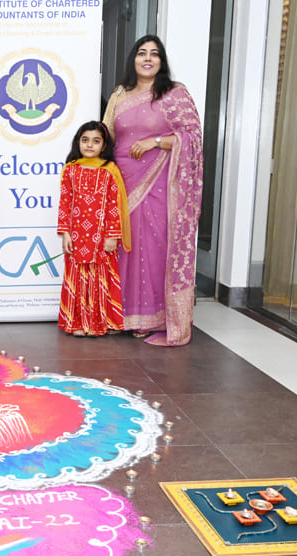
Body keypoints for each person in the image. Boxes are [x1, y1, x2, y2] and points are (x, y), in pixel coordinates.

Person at [101, 35, 203, 346]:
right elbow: (106, 136)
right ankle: (117, 315)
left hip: (160, 184)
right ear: (133, 59)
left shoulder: (174, 94)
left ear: (161, 61)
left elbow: (192, 137)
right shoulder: (119, 94)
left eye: (154, 54)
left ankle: (152, 317)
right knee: (121, 245)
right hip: (122, 180)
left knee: (153, 247)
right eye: (142, 53)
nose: (148, 58)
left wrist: (155, 142)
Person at [58, 121, 130, 337]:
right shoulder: (70, 169)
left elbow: (114, 205)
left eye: (96, 141)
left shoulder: (110, 171)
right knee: (78, 276)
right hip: (76, 236)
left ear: (104, 145)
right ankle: (77, 323)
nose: (89, 145)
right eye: (85, 140)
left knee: (100, 277)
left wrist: (113, 236)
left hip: (102, 237)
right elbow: (65, 203)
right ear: (78, 142)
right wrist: (65, 233)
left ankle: (99, 323)